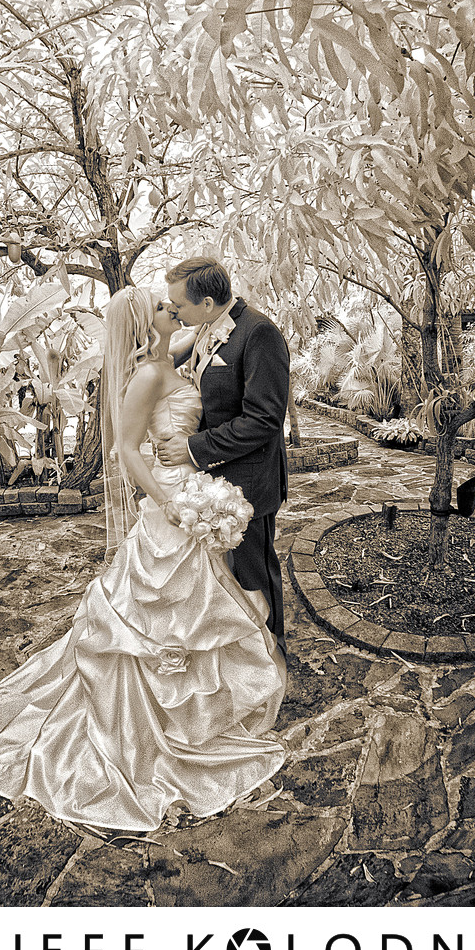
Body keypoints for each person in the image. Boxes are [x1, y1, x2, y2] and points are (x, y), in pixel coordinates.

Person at [0, 286, 286, 834]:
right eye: (162, 306)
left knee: (204, 603)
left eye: (174, 303)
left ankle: (202, 708)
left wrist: (220, 312)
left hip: (193, 487)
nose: (172, 309)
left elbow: (206, 328)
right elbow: (128, 451)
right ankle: (157, 726)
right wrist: (171, 503)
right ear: (143, 322)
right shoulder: (147, 376)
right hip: (173, 499)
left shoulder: (170, 355)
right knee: (164, 611)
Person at [163, 258, 290, 657]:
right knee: (230, 575)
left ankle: (271, 649)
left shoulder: (259, 333)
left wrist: (192, 448)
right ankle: (243, 651)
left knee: (255, 571)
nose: (173, 312)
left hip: (250, 478)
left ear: (205, 302)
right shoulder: (205, 327)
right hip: (218, 480)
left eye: (178, 306)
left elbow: (264, 420)